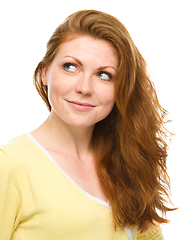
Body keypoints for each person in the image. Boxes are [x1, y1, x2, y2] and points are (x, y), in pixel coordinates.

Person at [0, 10, 175, 240]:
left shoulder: (128, 159)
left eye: (103, 75)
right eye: (71, 67)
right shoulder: (10, 166)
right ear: (45, 73)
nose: (84, 88)